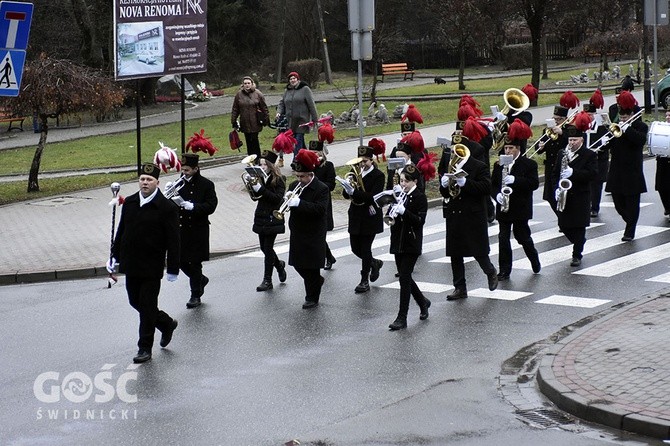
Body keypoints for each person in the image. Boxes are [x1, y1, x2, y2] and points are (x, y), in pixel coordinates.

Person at [109, 163, 180, 364]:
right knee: (135, 301)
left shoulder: (167, 208)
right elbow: (122, 231)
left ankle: (144, 348)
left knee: (148, 306)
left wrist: (173, 268)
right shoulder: (130, 202)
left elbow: (174, 240)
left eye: (149, 180)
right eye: (142, 179)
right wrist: (114, 255)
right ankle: (166, 323)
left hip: (151, 265)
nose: (145, 183)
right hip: (131, 263)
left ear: (157, 182)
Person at [439, 143, 498, 300]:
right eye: (451, 151)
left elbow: (486, 188)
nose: (453, 154)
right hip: (455, 213)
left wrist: (466, 183)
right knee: (455, 252)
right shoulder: (450, 166)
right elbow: (447, 192)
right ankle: (460, 287)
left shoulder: (479, 166)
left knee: (478, 250)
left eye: (455, 151)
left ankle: (490, 271)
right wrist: (443, 185)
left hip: (473, 214)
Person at [491, 133, 541, 280]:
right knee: (503, 238)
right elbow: (493, 184)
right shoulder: (499, 164)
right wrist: (497, 195)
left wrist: (515, 180)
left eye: (511, 148)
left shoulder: (529, 164)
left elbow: (533, 184)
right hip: (504, 208)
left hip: (520, 207)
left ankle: (534, 259)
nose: (507, 151)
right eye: (506, 148)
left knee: (523, 237)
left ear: (518, 148)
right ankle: (504, 270)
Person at [387, 165, 431, 330]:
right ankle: (423, 302)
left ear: (414, 181)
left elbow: (419, 222)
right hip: (398, 241)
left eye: (406, 181)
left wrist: (404, 211)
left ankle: (402, 317)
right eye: (402, 180)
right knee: (405, 277)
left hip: (411, 243)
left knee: (404, 279)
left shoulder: (420, 197)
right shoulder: (401, 195)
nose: (403, 184)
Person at [552, 113, 598, 266]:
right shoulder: (562, 154)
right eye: (570, 140)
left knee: (579, 226)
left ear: (581, 140)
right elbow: (555, 173)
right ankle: (579, 241)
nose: (572, 143)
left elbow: (593, 174)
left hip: (580, 195)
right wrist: (556, 189)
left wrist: (574, 173)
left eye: (575, 140)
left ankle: (576, 254)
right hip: (565, 195)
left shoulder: (589, 155)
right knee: (563, 225)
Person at [286, 149, 329, 309]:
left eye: (302, 176)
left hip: (313, 232)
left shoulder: (321, 188)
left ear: (310, 174)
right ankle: (316, 282)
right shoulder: (294, 185)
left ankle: (312, 297)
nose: (299, 179)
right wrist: (288, 200)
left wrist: (299, 203)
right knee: (298, 264)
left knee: (311, 266)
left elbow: (320, 209)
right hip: (298, 230)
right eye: (297, 176)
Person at [341, 145, 386, 293]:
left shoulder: (378, 175)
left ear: (371, 160)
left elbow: (373, 196)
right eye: (360, 161)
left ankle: (364, 280)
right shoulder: (354, 173)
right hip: (355, 214)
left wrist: (355, 192)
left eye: (365, 161)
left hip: (369, 215)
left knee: (366, 249)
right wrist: (347, 189)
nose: (362, 164)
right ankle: (374, 263)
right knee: (355, 248)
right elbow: (346, 196)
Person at [604, 91, 648, 241]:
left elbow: (640, 140)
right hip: (616, 169)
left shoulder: (640, 126)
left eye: (624, 117)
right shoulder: (616, 128)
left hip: (632, 169)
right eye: (621, 117)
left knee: (632, 202)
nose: (622, 119)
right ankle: (629, 221)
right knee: (617, 201)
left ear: (631, 116)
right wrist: (604, 141)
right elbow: (609, 144)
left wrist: (627, 128)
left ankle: (630, 230)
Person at [176, 153, 218, 309]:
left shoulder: (206, 185)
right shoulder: (178, 183)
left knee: (194, 263)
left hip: (198, 229)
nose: (184, 173)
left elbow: (211, 206)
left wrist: (194, 207)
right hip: (182, 228)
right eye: (183, 169)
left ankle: (195, 295)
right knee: (181, 261)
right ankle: (201, 279)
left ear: (195, 169)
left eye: (187, 170)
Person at [249, 150, 288, 291]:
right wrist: (253, 187)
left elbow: (277, 198)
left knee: (268, 248)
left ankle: (267, 280)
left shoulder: (280, 179)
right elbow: (255, 198)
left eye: (265, 165)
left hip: (273, 217)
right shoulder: (259, 178)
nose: (262, 167)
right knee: (263, 248)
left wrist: (261, 189)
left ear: (271, 165)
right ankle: (279, 265)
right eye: (260, 164)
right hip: (261, 215)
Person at [536, 105, 570, 212]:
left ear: (565, 119)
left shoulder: (569, 129)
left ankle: (563, 220)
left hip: (562, 166)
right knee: (550, 196)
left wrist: (562, 133)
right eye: (554, 118)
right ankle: (561, 218)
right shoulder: (548, 130)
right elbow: (540, 146)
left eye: (558, 119)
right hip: (550, 166)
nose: (555, 121)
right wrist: (540, 146)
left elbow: (573, 143)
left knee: (561, 195)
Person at [276, 71, 318, 157]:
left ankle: (296, 160)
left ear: (298, 79)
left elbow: (311, 104)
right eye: (291, 79)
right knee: (299, 141)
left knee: (297, 140)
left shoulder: (305, 89)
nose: (292, 80)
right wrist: (278, 112)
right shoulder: (287, 91)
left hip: (302, 121)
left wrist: (315, 118)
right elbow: (282, 103)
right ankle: (306, 156)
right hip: (291, 121)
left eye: (294, 78)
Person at [310, 141, 337, 270]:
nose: (315, 155)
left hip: (323, 201)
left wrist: (317, 185)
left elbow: (331, 184)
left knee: (321, 233)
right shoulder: (309, 166)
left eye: (316, 152)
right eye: (312, 153)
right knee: (315, 233)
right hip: (310, 201)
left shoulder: (328, 166)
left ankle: (327, 258)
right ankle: (329, 256)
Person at [582, 95, 610, 218]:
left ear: (594, 114)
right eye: (586, 114)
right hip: (586, 159)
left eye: (590, 115)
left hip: (599, 159)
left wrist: (603, 143)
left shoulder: (602, 127)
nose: (588, 117)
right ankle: (586, 205)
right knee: (587, 183)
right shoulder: (582, 125)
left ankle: (595, 207)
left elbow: (608, 142)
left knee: (596, 184)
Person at [231, 76, 270, 159]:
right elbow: (235, 109)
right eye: (245, 83)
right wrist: (233, 120)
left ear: (252, 84)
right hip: (244, 122)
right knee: (248, 141)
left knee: (254, 140)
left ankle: (257, 158)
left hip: (255, 121)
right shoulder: (239, 95)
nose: (247, 85)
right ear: (243, 85)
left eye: (248, 83)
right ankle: (251, 159)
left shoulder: (258, 94)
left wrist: (266, 119)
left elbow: (264, 107)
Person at [655, 111, 670, 219]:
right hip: (663, 161)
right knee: (661, 186)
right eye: (667, 115)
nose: (667, 117)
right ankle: (667, 206)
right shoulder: (661, 128)